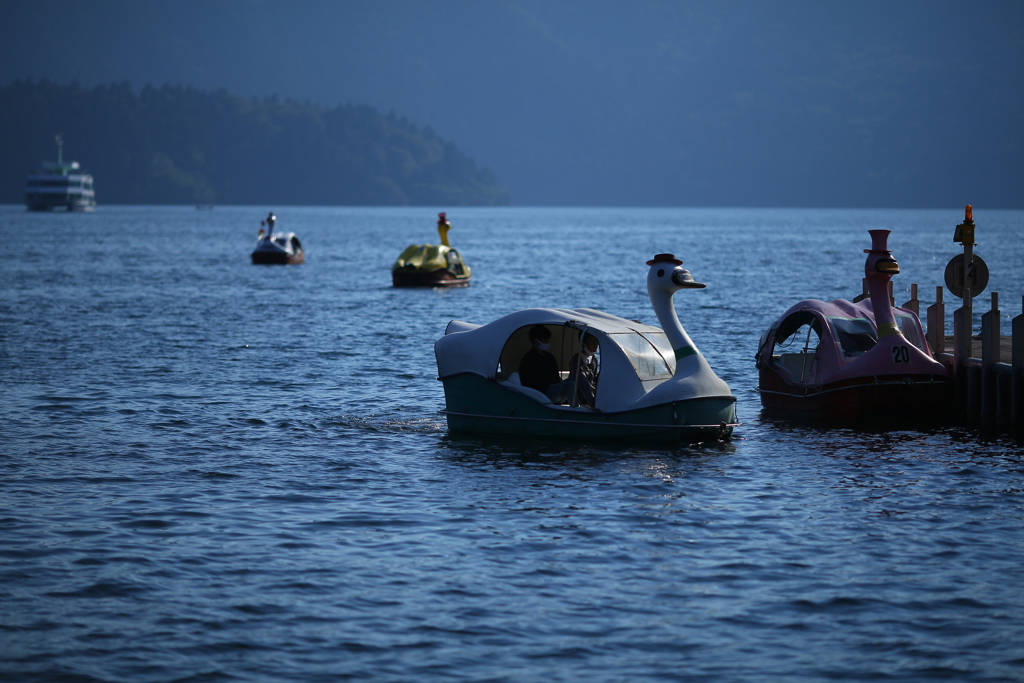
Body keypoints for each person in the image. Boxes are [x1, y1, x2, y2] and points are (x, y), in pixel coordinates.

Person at [519, 325, 560, 396]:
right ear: (536, 341)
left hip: (554, 389)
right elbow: (527, 383)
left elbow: (556, 378)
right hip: (540, 394)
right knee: (570, 385)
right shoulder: (527, 359)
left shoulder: (550, 357)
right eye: (545, 340)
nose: (547, 342)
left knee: (575, 381)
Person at [568, 333, 600, 407]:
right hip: (581, 394)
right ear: (583, 343)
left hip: (593, 391)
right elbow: (578, 380)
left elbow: (595, 377)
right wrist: (594, 390)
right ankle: (593, 403)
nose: (596, 344)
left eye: (596, 341)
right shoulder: (576, 359)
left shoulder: (594, 358)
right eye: (592, 341)